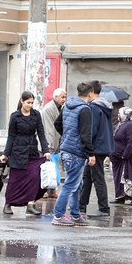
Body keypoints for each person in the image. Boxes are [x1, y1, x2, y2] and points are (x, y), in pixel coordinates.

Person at [0, 91, 50, 215]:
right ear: (22, 101)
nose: (30, 105)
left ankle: (30, 204)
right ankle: (8, 204)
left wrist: (46, 151)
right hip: (17, 151)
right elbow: (11, 136)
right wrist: (6, 154)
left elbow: (41, 133)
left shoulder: (36, 115)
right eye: (28, 103)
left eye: (32, 103)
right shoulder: (15, 116)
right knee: (15, 180)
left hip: (32, 150)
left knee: (34, 178)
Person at [52, 83, 96, 226]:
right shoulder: (85, 110)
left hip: (65, 149)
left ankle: (75, 214)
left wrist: (67, 136)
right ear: (90, 94)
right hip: (76, 152)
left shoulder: (67, 106)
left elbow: (57, 123)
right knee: (71, 184)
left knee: (77, 184)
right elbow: (85, 134)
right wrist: (91, 153)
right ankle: (58, 215)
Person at [78, 81, 115, 217]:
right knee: (87, 176)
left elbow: (91, 129)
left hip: (96, 148)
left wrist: (89, 149)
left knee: (98, 177)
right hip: (103, 146)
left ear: (92, 91)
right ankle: (81, 205)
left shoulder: (94, 107)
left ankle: (104, 208)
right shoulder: (104, 105)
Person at [110, 107, 132, 205]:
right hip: (117, 157)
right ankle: (120, 196)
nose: (118, 116)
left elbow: (131, 141)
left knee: (127, 176)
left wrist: (125, 155)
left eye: (120, 114)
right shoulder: (121, 125)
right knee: (118, 177)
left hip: (126, 157)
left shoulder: (130, 126)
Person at [42, 88, 67, 152]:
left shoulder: (61, 108)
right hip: (49, 146)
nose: (64, 99)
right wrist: (51, 145)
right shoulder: (49, 109)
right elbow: (49, 129)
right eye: (62, 97)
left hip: (56, 144)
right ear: (55, 97)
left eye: (65, 97)